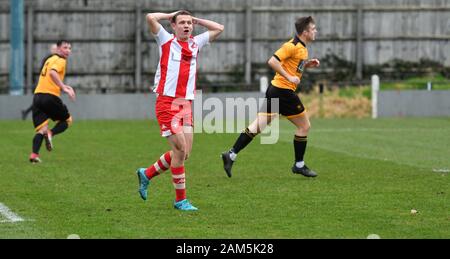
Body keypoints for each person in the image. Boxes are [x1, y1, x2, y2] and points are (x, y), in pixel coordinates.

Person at [136, 10, 224, 211]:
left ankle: (147, 173)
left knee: (184, 154)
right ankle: (180, 200)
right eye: (182, 22)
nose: (186, 26)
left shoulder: (196, 43)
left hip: (185, 104)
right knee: (180, 149)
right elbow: (150, 17)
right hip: (167, 102)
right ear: (173, 26)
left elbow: (219, 28)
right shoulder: (165, 40)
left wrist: (197, 20)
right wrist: (170, 15)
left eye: (188, 23)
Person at [221, 16, 320, 178]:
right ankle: (299, 165)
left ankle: (231, 154)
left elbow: (293, 66)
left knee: (257, 126)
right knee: (304, 126)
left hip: (276, 90)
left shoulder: (302, 47)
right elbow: (272, 61)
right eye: (313, 29)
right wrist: (289, 77)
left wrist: (306, 65)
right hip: (284, 92)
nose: (316, 31)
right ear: (305, 32)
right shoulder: (292, 46)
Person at [29, 40, 76, 163]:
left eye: (70, 48)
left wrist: (63, 85)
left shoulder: (49, 60)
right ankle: (51, 133)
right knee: (67, 120)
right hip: (49, 97)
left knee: (41, 129)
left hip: (37, 97)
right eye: (65, 47)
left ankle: (34, 155)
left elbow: (49, 73)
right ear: (58, 49)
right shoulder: (61, 61)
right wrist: (63, 87)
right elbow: (52, 73)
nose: (68, 50)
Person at [21, 44, 58, 120]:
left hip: (51, 84)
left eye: (56, 49)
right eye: (53, 49)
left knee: (43, 101)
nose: (55, 50)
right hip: (46, 83)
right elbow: (43, 71)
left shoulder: (55, 59)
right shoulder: (48, 59)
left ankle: (26, 112)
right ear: (51, 50)